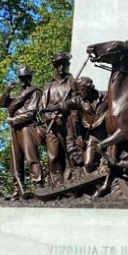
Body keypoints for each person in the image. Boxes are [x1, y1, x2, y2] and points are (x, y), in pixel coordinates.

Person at [0, 65, 43, 198]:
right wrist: (7, 90)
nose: (22, 81)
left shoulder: (35, 92)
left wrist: (14, 119)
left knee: (31, 157)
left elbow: (31, 113)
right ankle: (17, 189)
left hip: (27, 128)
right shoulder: (17, 95)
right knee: (15, 161)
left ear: (29, 77)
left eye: (25, 78)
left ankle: (38, 185)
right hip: (15, 129)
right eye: (20, 78)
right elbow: (1, 103)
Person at [40, 52, 77, 188]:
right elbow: (42, 108)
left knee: (71, 155)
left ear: (67, 65)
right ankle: (56, 186)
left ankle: (72, 184)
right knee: (53, 156)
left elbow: (77, 102)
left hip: (68, 124)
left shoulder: (73, 83)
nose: (61, 67)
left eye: (64, 64)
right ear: (55, 66)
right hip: (52, 125)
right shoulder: (49, 85)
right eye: (58, 64)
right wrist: (49, 117)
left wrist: (65, 110)